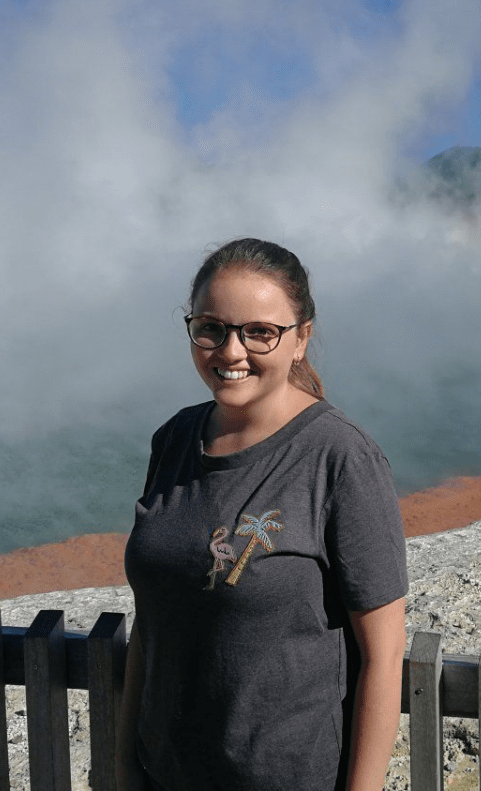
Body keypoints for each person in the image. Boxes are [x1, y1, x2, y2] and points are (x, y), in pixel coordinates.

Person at [117, 238, 408, 791]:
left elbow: (384, 656)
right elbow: (150, 626)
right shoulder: (175, 438)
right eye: (212, 328)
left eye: (260, 332)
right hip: (165, 775)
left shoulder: (340, 457)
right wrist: (128, 766)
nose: (231, 352)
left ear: (301, 338)